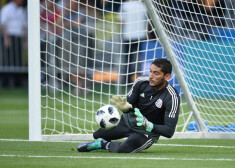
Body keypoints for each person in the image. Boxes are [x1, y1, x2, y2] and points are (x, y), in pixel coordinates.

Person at [77, 58, 180, 153]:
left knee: (123, 149)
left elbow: (169, 131)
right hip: (128, 121)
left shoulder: (172, 97)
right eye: (150, 71)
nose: (151, 76)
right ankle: (103, 141)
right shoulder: (141, 82)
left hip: (146, 133)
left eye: (156, 73)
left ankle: (103, 144)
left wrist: (148, 125)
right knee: (97, 135)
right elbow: (129, 105)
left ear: (167, 76)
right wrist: (126, 109)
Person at [118, 0, 148, 87]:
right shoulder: (143, 5)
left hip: (128, 35)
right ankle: (140, 81)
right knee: (140, 60)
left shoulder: (125, 5)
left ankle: (126, 82)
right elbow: (147, 21)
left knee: (128, 60)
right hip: (141, 35)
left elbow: (121, 20)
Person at [0, 0, 27, 87]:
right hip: (9, 36)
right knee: (8, 60)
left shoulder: (22, 10)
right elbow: (3, 24)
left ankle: (17, 82)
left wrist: (25, 39)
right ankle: (6, 82)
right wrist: (6, 38)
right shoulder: (7, 8)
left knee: (18, 60)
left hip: (19, 37)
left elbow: (24, 26)